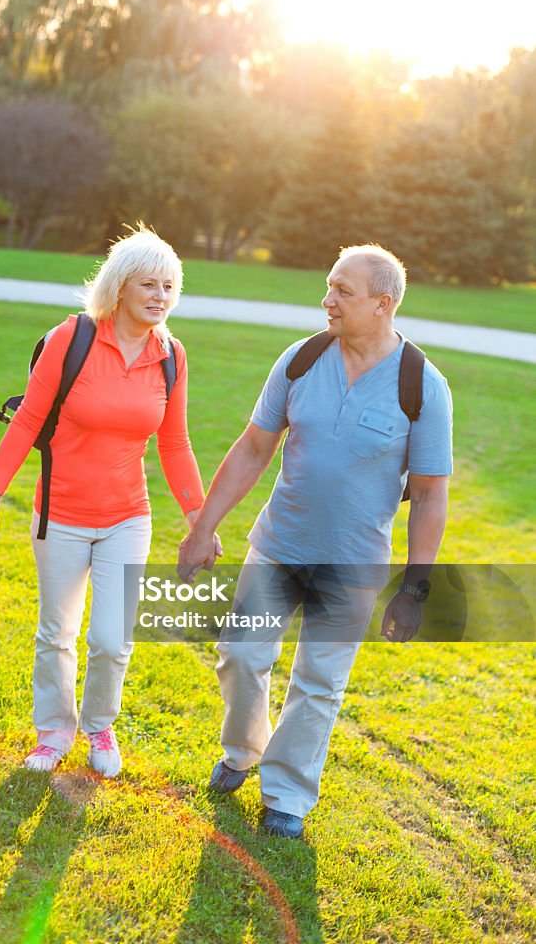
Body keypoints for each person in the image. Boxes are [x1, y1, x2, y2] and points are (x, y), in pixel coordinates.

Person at [178, 244, 453, 838]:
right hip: (278, 545)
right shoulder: (301, 359)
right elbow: (254, 448)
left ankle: (288, 796)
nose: (327, 300)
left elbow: (430, 494)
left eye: (342, 292)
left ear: (382, 305)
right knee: (242, 656)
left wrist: (416, 588)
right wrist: (204, 527)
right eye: (328, 286)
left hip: (353, 564)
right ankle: (243, 751)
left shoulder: (422, 386)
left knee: (319, 684)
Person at [0, 226, 214, 775]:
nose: (159, 296)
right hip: (60, 513)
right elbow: (29, 418)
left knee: (112, 638)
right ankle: (53, 734)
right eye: (148, 284)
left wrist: (199, 520)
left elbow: (175, 443)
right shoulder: (73, 338)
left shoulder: (171, 355)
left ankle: (100, 728)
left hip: (128, 515)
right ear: (121, 287)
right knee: (56, 632)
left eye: (169, 285)